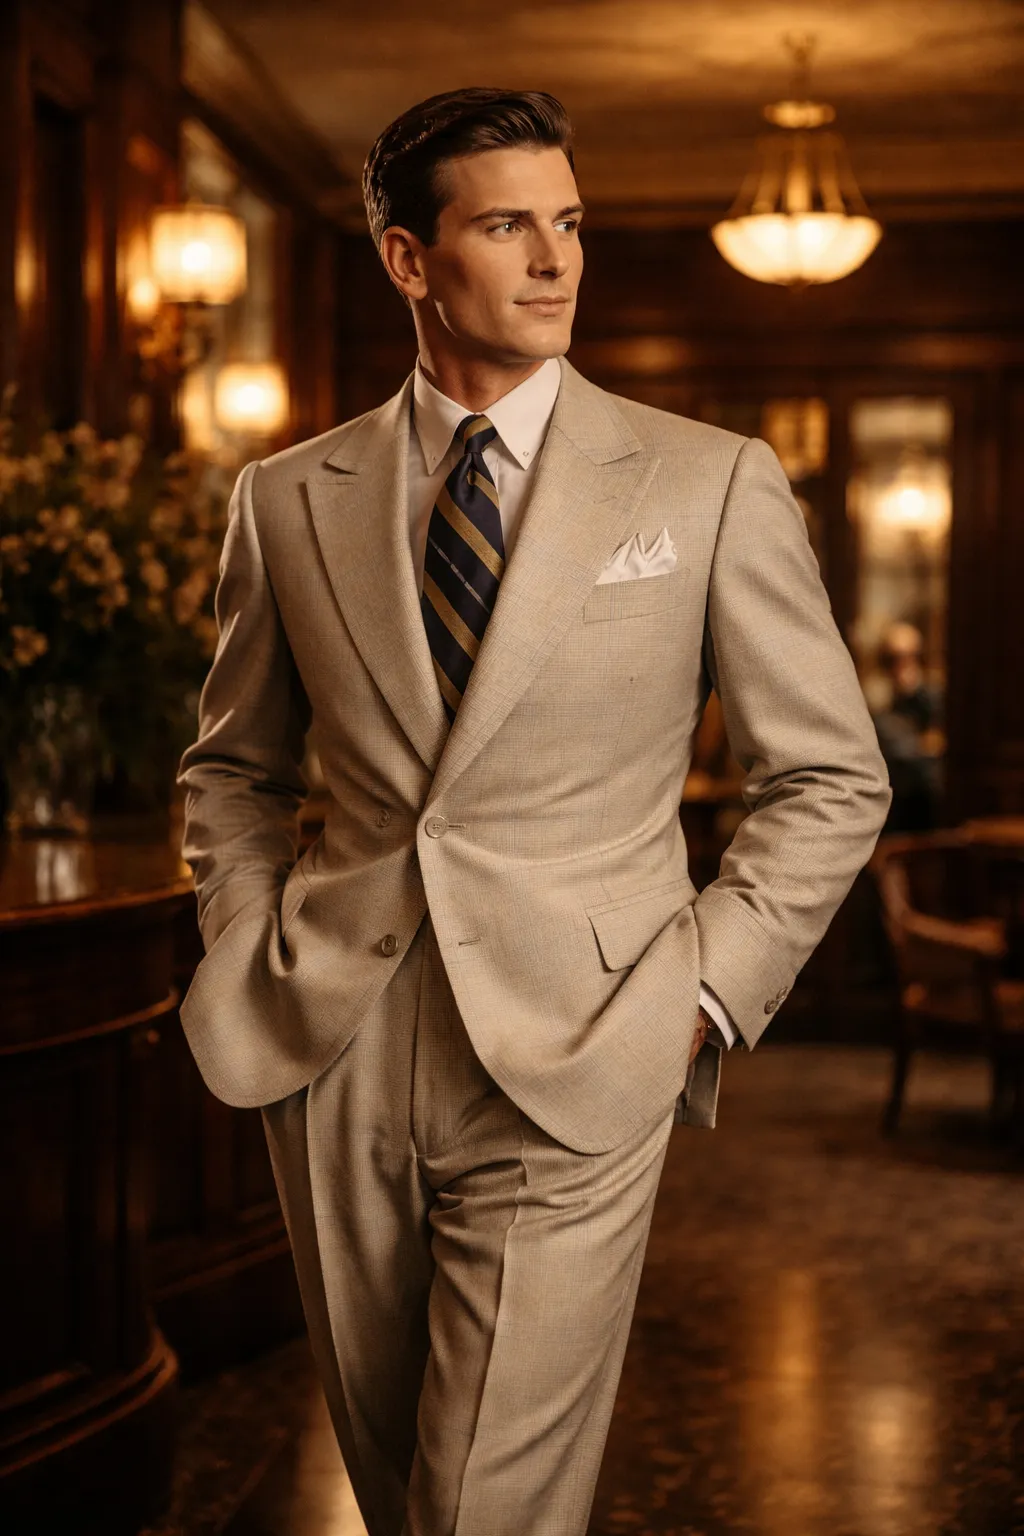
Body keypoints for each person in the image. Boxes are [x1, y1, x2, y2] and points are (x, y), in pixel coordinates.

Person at [177, 87, 891, 1536]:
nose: (556, 259)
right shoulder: (288, 496)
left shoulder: (708, 481)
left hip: (587, 1040)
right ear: (408, 260)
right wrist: (249, 932)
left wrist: (700, 991)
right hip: (338, 1041)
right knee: (399, 1489)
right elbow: (234, 769)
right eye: (509, 224)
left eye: (569, 224)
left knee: (485, 1502)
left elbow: (828, 774)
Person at [872, 620, 945, 831]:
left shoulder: (934, 700)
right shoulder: (881, 713)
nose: (904, 665)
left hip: (936, 813)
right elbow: (905, 756)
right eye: (894, 659)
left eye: (912, 657)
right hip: (898, 817)